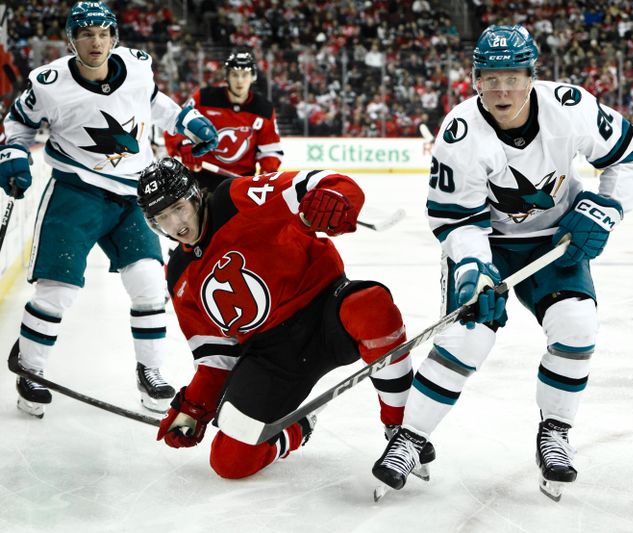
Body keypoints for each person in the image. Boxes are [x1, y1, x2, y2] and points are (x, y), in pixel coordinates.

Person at [372, 24, 633, 501]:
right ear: (475, 79)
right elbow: (456, 220)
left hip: (555, 241)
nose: (503, 89)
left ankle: (555, 433)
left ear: (531, 76)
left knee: (578, 327)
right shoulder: (460, 132)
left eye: (513, 76)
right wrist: (474, 270)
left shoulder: (570, 108)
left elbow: (630, 153)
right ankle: (410, 438)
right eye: (491, 77)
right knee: (467, 338)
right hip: (489, 242)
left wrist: (605, 209)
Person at [136, 158, 434, 479]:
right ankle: (298, 429)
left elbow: (326, 181)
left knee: (370, 305)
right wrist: (193, 408)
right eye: (162, 217)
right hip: (271, 355)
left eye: (179, 208)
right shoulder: (179, 275)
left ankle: (401, 428)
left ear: (195, 196)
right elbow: (215, 357)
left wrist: (335, 198)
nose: (176, 224)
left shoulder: (236, 198)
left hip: (324, 312)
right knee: (230, 461)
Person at [0, 1, 219, 418]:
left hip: (132, 196)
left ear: (115, 37)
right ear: (72, 40)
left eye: (103, 33)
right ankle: (31, 370)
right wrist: (12, 151)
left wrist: (185, 121)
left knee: (150, 284)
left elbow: (153, 100)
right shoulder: (48, 83)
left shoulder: (137, 66)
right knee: (57, 291)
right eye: (85, 33)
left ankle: (150, 372)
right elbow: (19, 120)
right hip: (75, 193)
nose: (95, 42)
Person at [163, 49, 283, 191]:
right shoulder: (204, 98)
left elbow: (270, 151)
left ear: (253, 77)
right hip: (202, 177)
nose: (239, 80)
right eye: (234, 74)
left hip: (241, 182)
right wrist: (183, 144)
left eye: (244, 75)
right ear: (227, 76)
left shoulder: (264, 109)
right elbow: (176, 123)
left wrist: (265, 178)